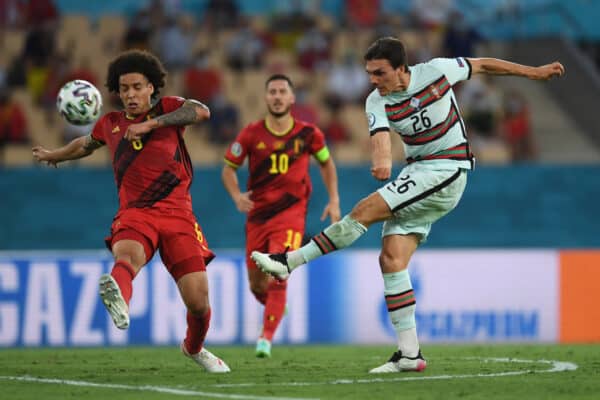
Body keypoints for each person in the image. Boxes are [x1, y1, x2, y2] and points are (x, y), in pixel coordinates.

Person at [252, 37, 565, 372]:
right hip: (418, 171)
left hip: (447, 168)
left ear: (401, 69)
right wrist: (382, 162)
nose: (372, 80)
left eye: (379, 73)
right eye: (369, 73)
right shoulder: (376, 100)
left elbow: (484, 64)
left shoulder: (437, 71)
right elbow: (381, 139)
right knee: (391, 259)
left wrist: (533, 72)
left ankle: (289, 262)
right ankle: (410, 354)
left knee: (363, 212)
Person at [32, 49, 230, 373]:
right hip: (136, 212)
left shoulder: (168, 110)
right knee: (127, 256)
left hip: (178, 214)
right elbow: (85, 144)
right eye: (124, 89)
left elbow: (201, 111)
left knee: (198, 302)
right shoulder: (110, 123)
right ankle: (119, 298)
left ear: (151, 87)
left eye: (137, 87)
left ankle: (193, 348)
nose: (130, 95)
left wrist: (151, 124)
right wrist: (56, 154)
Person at [222, 74, 341, 358]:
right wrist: (237, 196)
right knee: (256, 284)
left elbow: (327, 164)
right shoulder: (250, 134)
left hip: (291, 214)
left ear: (291, 98)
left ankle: (266, 338)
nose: (276, 96)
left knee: (279, 271)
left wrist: (334, 199)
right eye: (272, 91)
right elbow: (228, 169)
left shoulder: (309, 134)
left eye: (282, 91)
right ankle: (275, 307)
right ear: (266, 98)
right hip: (258, 217)